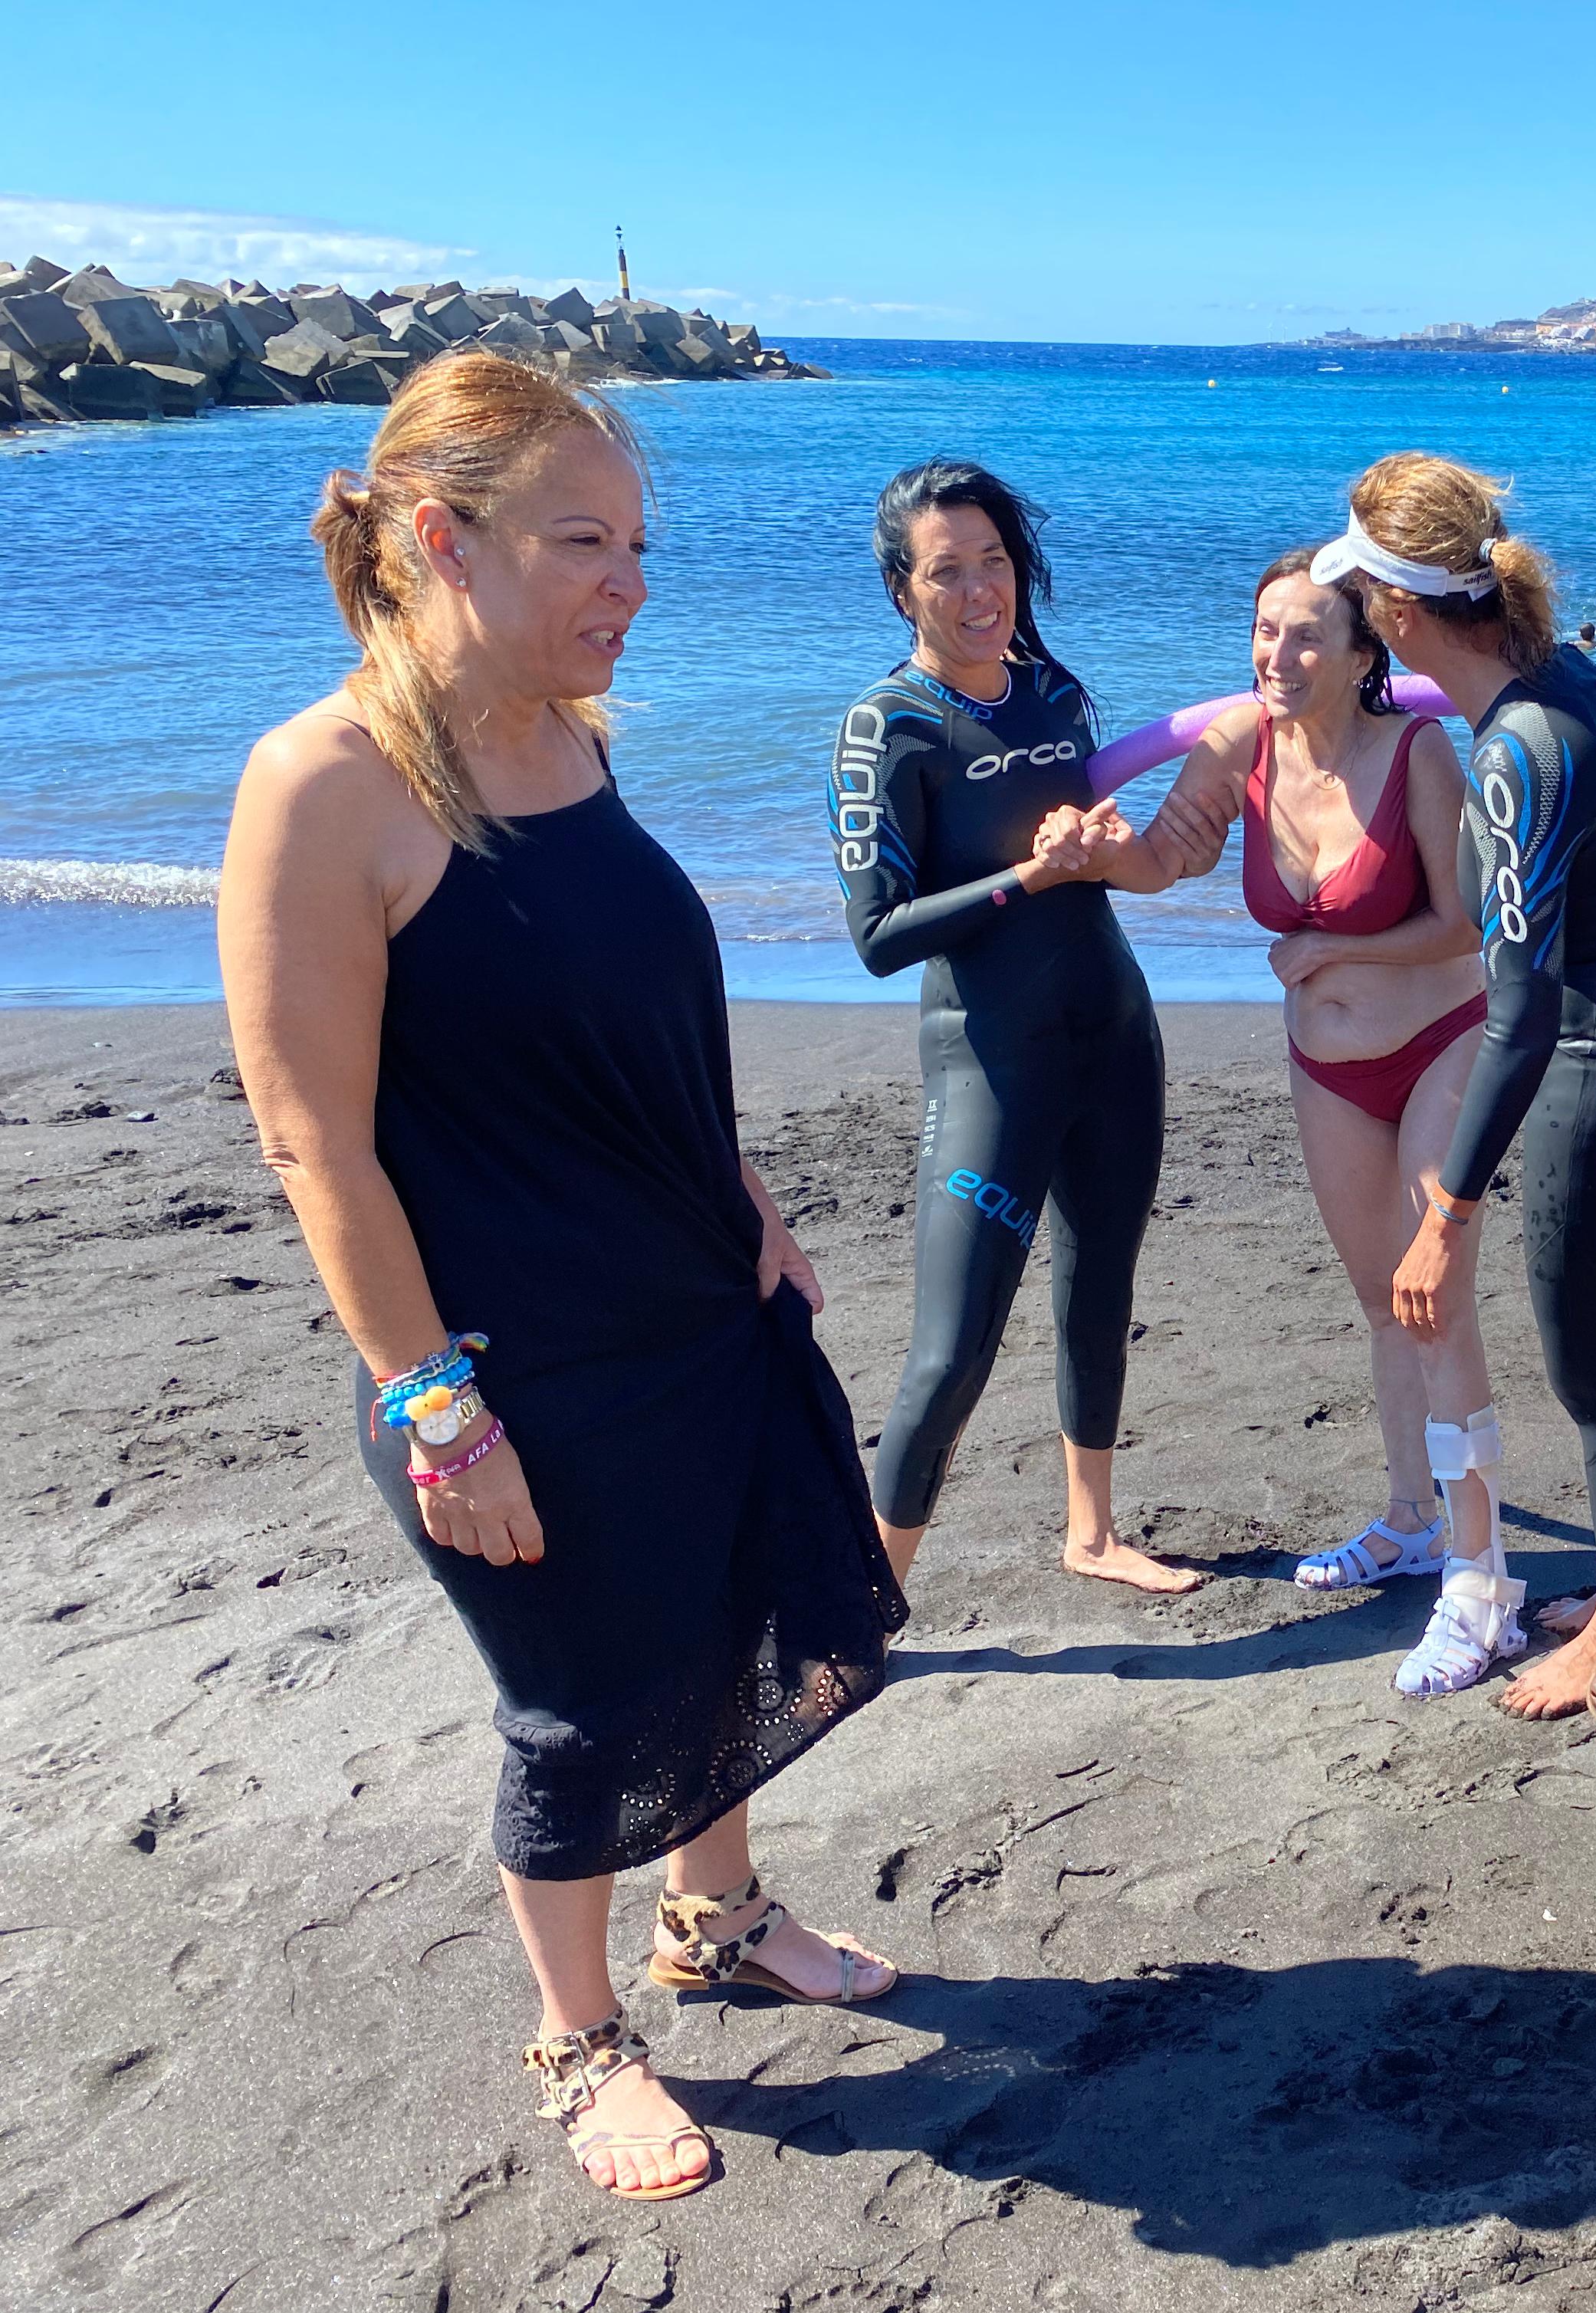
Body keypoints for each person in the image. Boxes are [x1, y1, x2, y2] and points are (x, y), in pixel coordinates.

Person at [218, 352, 907, 2204]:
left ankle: (722, 1917)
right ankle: (582, 2035)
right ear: (441, 541)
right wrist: (434, 1404)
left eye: (637, 543)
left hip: (694, 1301)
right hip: (514, 1365)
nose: (630, 583)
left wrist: (742, 1184)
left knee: (727, 1625)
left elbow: (615, 1019)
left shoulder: (573, 736)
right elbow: (316, 1144)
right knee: (584, 1696)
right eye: (582, 542)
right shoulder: (325, 784)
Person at [1320, 453, 1596, 1720]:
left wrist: (1444, 1212)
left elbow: (1520, 1008)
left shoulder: (1512, 753)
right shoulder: (1577, 683)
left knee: (1594, 1379)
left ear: (1394, 613)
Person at [1105, 550, 1520, 1694]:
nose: (1276, 656)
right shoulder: (1240, 740)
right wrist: (1098, 856)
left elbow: (1464, 926)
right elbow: (1167, 852)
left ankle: (1482, 1581)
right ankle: (1409, 1520)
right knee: (1380, 1300)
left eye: (1304, 637)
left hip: (1442, 1043)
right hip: (1327, 1065)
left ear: (1362, 653)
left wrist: (1334, 943)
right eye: (1264, 631)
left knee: (1434, 1303)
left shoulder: (1418, 753)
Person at [827, 461, 1193, 1598]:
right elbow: (880, 937)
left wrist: (1117, 851)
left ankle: (1092, 1533)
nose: (981, 589)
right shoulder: (886, 726)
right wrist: (1029, 879)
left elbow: (1109, 865)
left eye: (996, 561)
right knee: (954, 1347)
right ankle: (869, 1598)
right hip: (991, 1062)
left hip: (1116, 1038)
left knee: (1102, 1285)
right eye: (949, 570)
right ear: (904, 590)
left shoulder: (1055, 693)